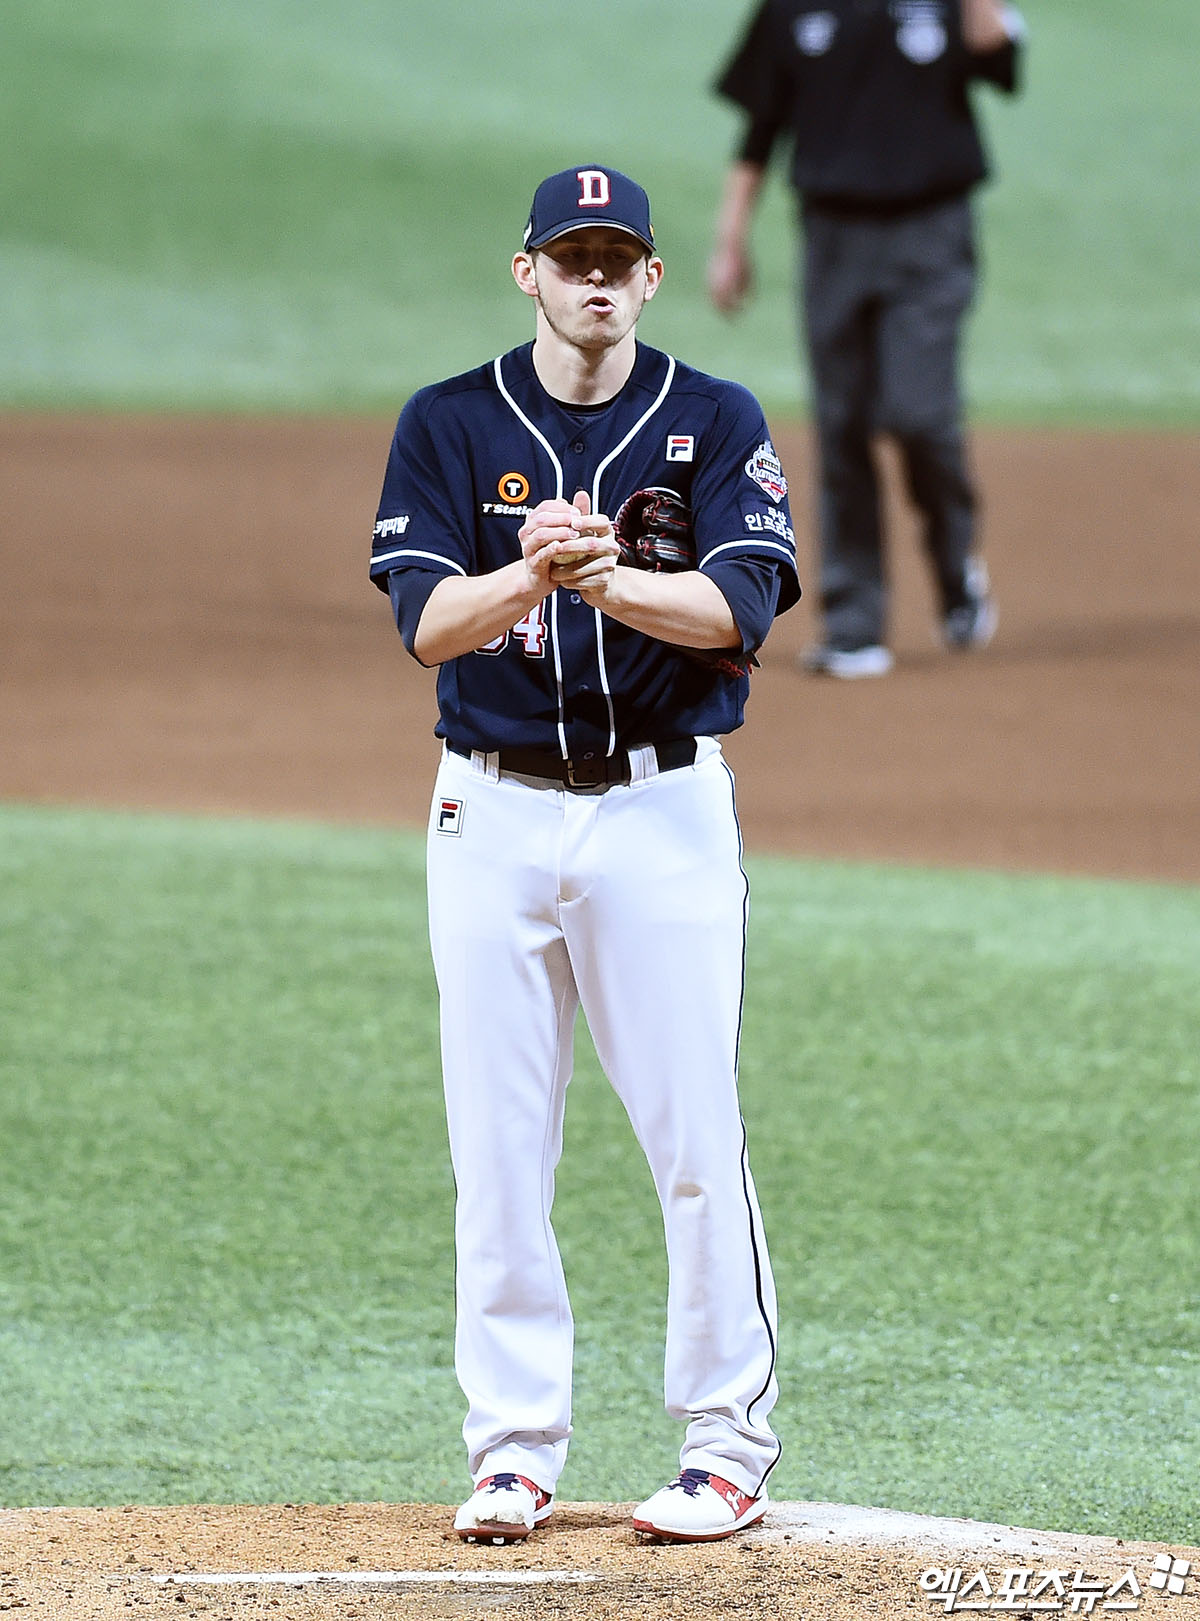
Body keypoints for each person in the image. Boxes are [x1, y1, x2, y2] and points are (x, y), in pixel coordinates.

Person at [369, 164, 800, 1544]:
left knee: (694, 1136)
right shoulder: (447, 422)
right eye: (574, 258)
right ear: (531, 273)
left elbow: (739, 610)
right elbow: (428, 624)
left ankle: (725, 1443)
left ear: (653, 278)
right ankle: (511, 1449)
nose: (596, 279)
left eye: (619, 259)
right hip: (487, 816)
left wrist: (608, 579)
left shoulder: (716, 419)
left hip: (658, 816)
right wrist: (534, 572)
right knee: (496, 1148)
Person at [709, 0, 1024, 677]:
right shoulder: (790, 8)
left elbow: (998, 59)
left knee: (920, 415)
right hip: (832, 236)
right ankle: (854, 622)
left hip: (932, 231)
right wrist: (730, 238)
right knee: (843, 423)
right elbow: (761, 126)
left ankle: (954, 561)